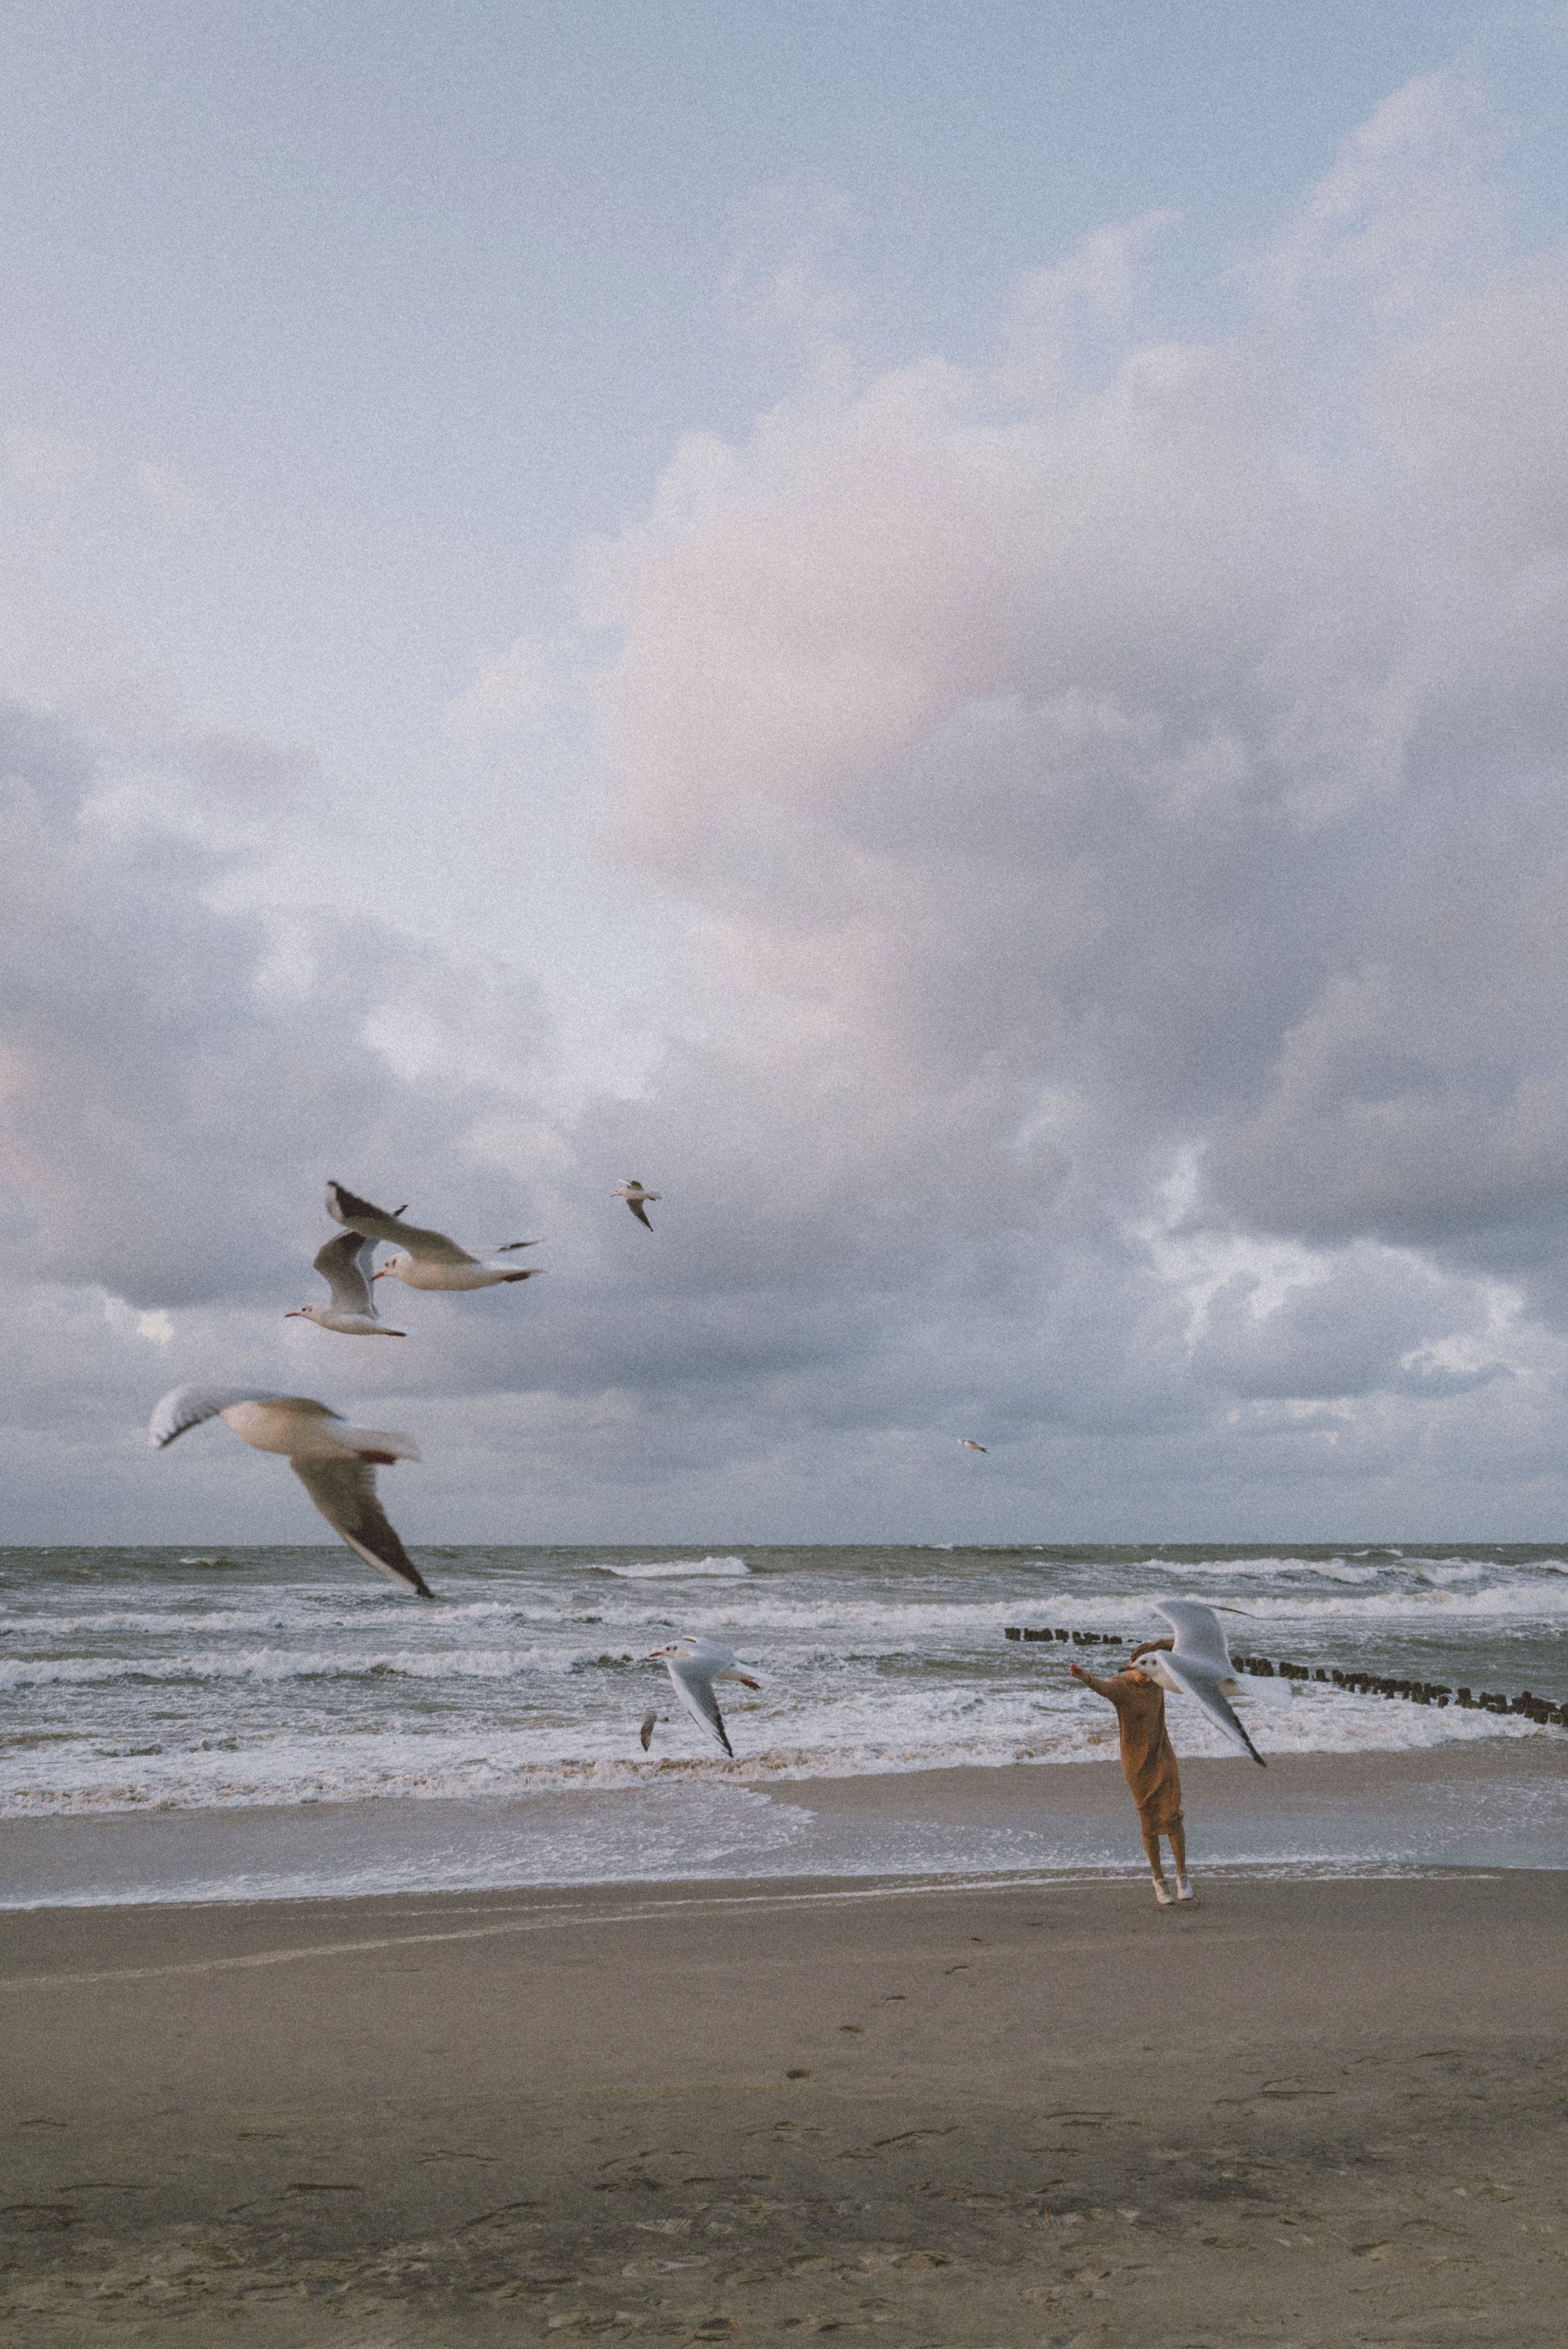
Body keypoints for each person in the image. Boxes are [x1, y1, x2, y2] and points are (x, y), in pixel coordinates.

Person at [1068, 1638, 1193, 1906]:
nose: (1148, 1679)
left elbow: (1167, 1646)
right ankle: (1159, 1880)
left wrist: (1188, 1640)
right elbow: (1103, 1687)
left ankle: (1183, 1875)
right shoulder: (1122, 1688)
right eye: (1143, 1674)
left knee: (1172, 1815)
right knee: (1149, 1821)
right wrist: (1085, 1677)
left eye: (1151, 1673)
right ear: (1131, 1666)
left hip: (1162, 1754)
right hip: (1137, 1763)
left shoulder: (1157, 1678)